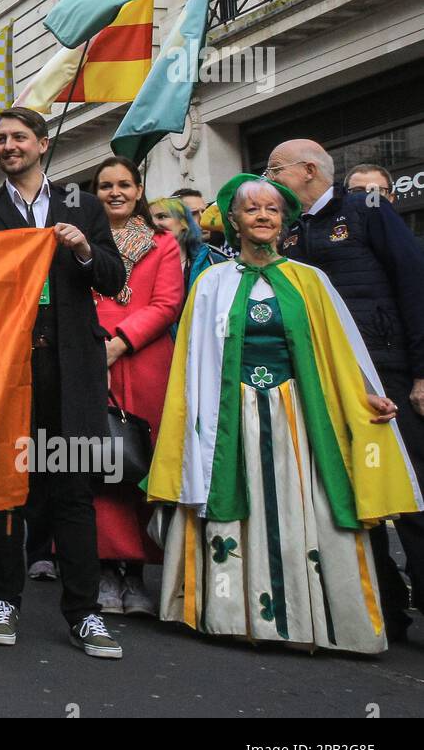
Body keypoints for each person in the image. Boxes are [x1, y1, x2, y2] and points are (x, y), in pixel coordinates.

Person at [148, 174, 421, 654]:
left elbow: (340, 350)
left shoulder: (311, 281)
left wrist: (367, 395)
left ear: (283, 222)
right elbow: (192, 365)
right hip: (231, 417)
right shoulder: (211, 282)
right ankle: (233, 615)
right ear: (233, 220)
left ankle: (307, 619)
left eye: (271, 211)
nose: (262, 217)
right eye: (251, 209)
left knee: (305, 513)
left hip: (296, 417)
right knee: (238, 507)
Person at [0, 107, 126, 659]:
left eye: (19, 137)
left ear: (41, 143)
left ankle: (84, 612)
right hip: (9, 369)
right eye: (0, 139)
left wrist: (82, 247)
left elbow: (113, 277)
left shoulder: (83, 205)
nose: (9, 146)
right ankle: (1, 599)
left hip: (70, 366)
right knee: (7, 489)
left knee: (73, 490)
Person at [267, 139, 424, 641]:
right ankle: (387, 610)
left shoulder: (364, 210)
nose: (268, 177)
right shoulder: (288, 232)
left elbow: (414, 283)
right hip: (325, 382)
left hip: (386, 375)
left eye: (275, 169)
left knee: (411, 494)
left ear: (308, 169)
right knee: (354, 498)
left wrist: (421, 372)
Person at [90, 157, 184, 614]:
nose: (115, 193)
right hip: (93, 361)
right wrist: (98, 343)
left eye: (124, 184)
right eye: (106, 185)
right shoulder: (82, 241)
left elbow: (168, 303)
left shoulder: (163, 243)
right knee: (103, 467)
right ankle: (106, 571)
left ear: (139, 188)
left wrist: (122, 341)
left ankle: (138, 576)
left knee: (143, 466)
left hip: (146, 363)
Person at [149, 195, 228, 304]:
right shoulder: (136, 263)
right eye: (148, 220)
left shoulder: (213, 261)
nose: (154, 224)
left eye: (162, 216)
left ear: (183, 223)